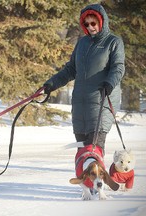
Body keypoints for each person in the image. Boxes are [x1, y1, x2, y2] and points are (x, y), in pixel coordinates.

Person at [43, 4, 125, 153]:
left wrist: (110, 83)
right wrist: (51, 84)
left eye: (93, 23)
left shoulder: (113, 42)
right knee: (82, 154)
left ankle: (96, 177)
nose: (90, 27)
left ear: (101, 21)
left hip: (102, 101)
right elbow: (71, 69)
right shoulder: (82, 43)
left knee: (94, 153)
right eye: (86, 24)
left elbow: (118, 67)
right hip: (81, 105)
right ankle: (83, 177)